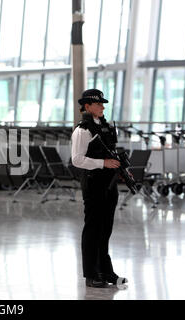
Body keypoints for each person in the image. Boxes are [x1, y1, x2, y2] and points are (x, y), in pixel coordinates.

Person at [71, 89, 128, 288]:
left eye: (103, 104)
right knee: (93, 229)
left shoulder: (105, 127)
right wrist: (103, 163)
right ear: (87, 106)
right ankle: (91, 274)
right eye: (98, 104)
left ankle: (106, 271)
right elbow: (77, 160)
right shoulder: (82, 130)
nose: (103, 107)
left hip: (109, 184)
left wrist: (116, 166)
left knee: (106, 229)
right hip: (93, 184)